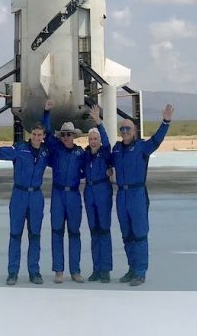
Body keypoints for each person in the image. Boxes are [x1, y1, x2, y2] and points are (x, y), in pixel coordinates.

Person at [0, 122, 48, 285]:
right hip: (19, 195)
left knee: (35, 235)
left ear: (43, 136)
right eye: (34, 134)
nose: (36, 137)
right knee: (15, 234)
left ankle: (34, 272)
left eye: (39, 135)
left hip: (36, 196)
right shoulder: (20, 150)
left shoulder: (45, 153)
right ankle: (13, 272)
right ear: (30, 134)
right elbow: (0, 152)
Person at [111, 104, 175, 287]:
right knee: (127, 235)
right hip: (121, 195)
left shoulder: (142, 147)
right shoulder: (116, 149)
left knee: (139, 234)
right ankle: (132, 269)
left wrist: (165, 122)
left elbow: (157, 140)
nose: (124, 132)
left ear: (134, 131)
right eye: (122, 129)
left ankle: (140, 272)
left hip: (137, 194)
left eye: (128, 129)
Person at [41, 99, 85, 283]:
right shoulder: (56, 149)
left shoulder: (81, 153)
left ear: (74, 136)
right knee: (57, 232)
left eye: (69, 134)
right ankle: (59, 271)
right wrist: (46, 112)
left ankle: (75, 271)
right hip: (58, 195)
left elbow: (90, 167)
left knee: (74, 233)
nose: (66, 137)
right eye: (64, 134)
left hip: (73, 195)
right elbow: (46, 131)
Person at [82, 104, 113, 282]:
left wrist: (99, 123)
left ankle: (105, 269)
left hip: (102, 191)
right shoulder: (85, 155)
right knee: (94, 231)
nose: (93, 141)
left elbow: (107, 142)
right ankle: (96, 268)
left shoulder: (105, 152)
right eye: (91, 139)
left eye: (95, 139)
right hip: (89, 192)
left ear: (99, 140)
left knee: (104, 230)